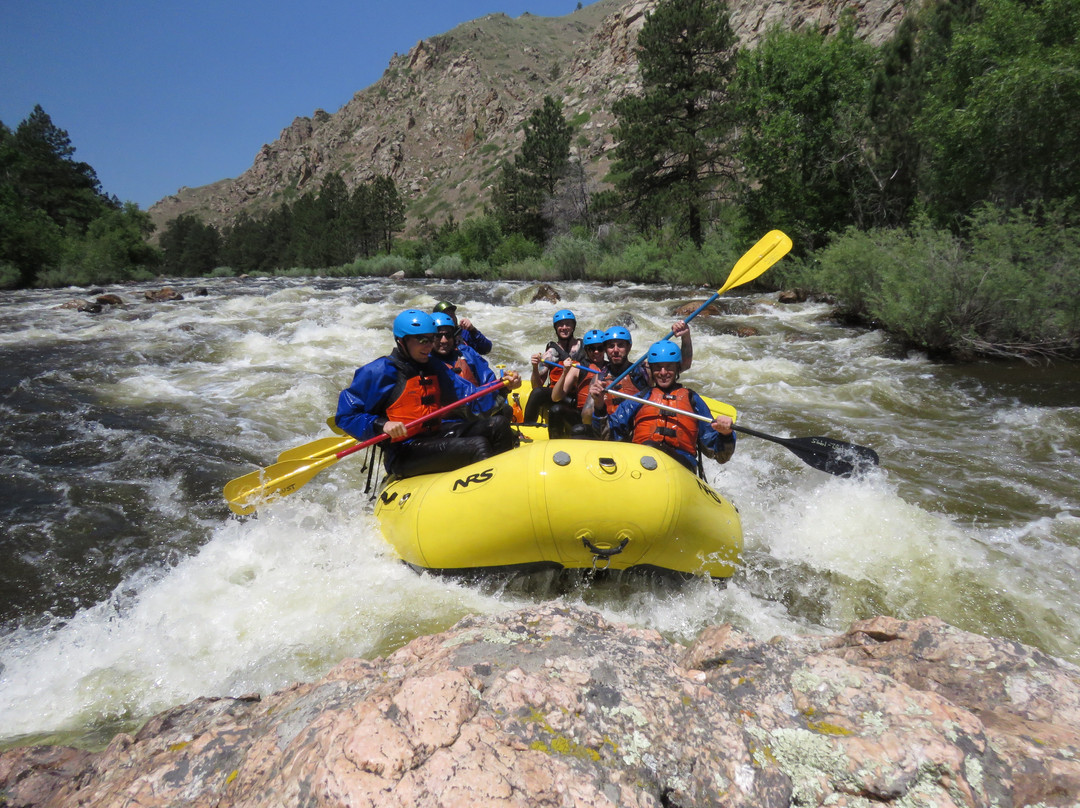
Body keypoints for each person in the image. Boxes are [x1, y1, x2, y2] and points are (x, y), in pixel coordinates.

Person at [335, 309, 521, 478]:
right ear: (402, 341)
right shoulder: (379, 371)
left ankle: (506, 482)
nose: (429, 345)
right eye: (422, 340)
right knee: (477, 446)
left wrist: (503, 387)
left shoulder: (435, 368)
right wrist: (381, 424)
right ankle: (491, 495)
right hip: (404, 450)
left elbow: (468, 397)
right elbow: (346, 416)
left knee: (498, 425)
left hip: (435, 435)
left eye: (431, 339)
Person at [591, 339, 735, 473]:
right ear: (652, 370)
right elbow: (608, 435)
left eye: (669, 367)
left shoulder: (692, 400)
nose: (663, 373)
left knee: (652, 448)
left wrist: (725, 434)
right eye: (658, 368)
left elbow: (721, 456)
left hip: (681, 467)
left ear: (677, 368)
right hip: (641, 463)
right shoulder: (641, 398)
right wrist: (599, 405)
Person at [524, 309, 584, 423]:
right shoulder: (551, 353)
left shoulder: (584, 348)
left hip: (576, 396)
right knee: (537, 393)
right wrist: (535, 367)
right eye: (560, 325)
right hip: (556, 395)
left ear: (573, 326)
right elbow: (537, 386)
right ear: (556, 328)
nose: (564, 327)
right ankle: (527, 427)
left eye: (568, 324)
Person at [547, 328, 607, 439]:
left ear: (605, 349)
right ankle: (555, 445)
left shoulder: (611, 369)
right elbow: (555, 397)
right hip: (580, 416)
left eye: (600, 348)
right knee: (556, 410)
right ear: (586, 350)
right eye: (591, 349)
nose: (596, 352)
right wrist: (565, 372)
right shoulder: (578, 368)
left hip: (602, 416)